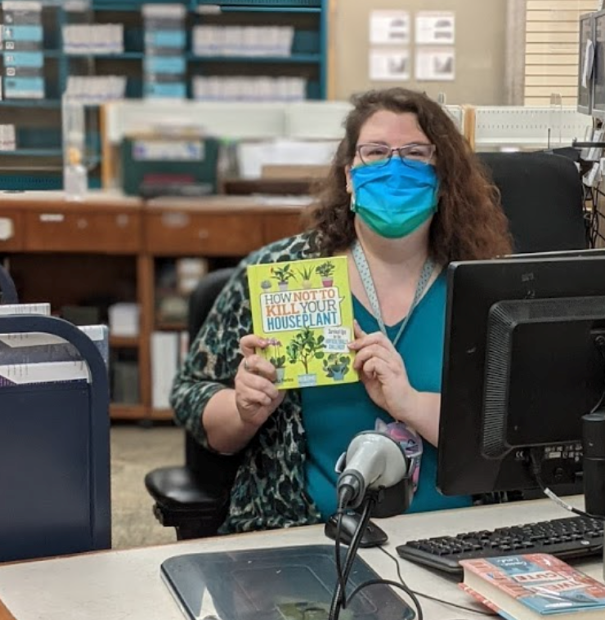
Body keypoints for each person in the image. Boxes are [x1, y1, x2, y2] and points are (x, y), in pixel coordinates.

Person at [171, 87, 512, 534]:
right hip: (307, 534)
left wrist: (410, 404)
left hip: (458, 534)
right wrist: (243, 410)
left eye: (415, 154)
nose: (394, 169)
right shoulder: (286, 273)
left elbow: (512, 435)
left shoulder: (484, 286)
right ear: (350, 176)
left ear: (443, 178)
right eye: (375, 153)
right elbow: (192, 397)